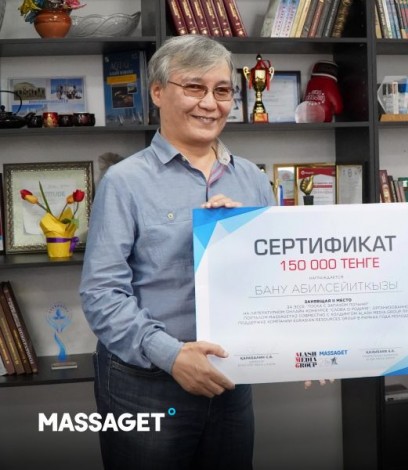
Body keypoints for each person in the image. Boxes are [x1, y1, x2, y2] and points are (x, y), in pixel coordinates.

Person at [79, 35, 274, 470]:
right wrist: (171, 355)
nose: (210, 103)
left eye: (221, 91)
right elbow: (101, 294)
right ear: (157, 92)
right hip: (143, 383)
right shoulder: (124, 182)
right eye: (194, 87)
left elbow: (274, 277)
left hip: (230, 376)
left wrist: (310, 343)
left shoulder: (253, 180)